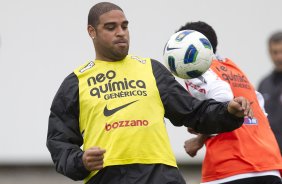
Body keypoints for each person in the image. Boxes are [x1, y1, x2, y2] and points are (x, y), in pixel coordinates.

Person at [46, 3, 252, 184]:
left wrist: (228, 112)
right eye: (111, 27)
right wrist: (81, 161)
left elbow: (193, 112)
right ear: (92, 31)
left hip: (160, 175)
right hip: (106, 177)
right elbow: (58, 141)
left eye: (125, 26)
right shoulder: (76, 82)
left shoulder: (151, 69)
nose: (121, 32)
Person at [179, 21, 282, 184]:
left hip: (231, 166)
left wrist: (199, 132)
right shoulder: (233, 68)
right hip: (269, 165)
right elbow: (260, 109)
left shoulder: (198, 68)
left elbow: (222, 101)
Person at [258, 31, 282, 155]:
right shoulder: (264, 83)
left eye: (281, 51)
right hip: (270, 154)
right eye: (275, 52)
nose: (279, 57)